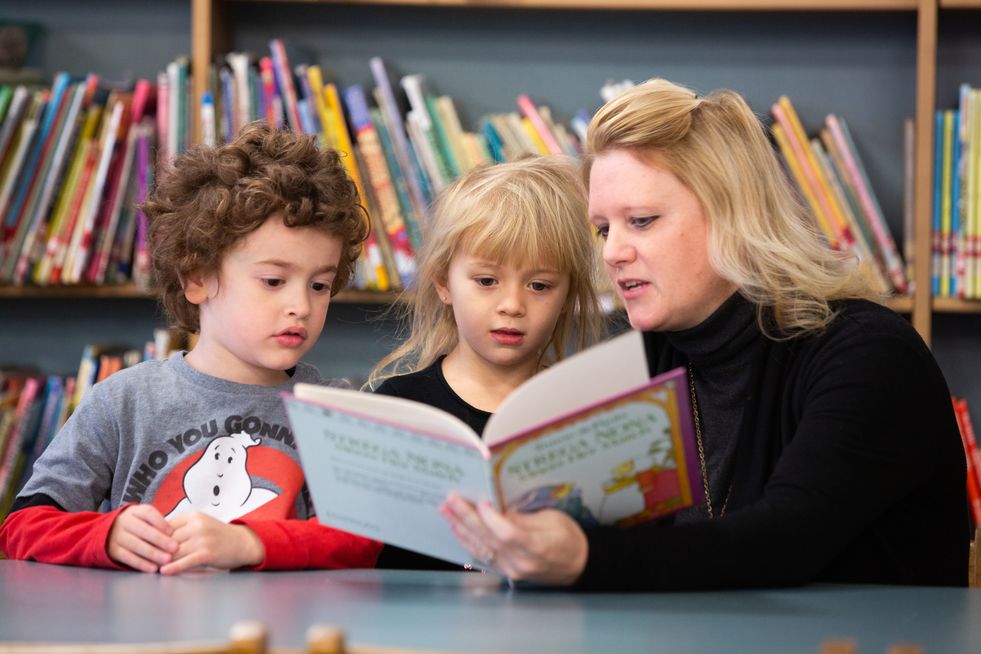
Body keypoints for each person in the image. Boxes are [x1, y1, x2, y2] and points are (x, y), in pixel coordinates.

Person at [440, 78, 971, 590]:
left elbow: (787, 540)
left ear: (734, 216)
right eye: (604, 228)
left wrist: (581, 556)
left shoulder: (867, 353)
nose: (612, 252)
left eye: (642, 220)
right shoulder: (644, 359)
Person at [0, 122, 382, 574]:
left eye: (319, 285)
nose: (300, 305)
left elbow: (364, 540)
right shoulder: (124, 401)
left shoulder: (338, 411)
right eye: (273, 281)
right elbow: (24, 525)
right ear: (197, 278)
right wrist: (106, 536)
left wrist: (248, 543)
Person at [367, 155, 605, 570]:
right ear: (444, 282)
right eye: (487, 281)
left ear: (567, 295)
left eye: (539, 285)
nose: (512, 305)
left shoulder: (587, 416)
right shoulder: (396, 405)